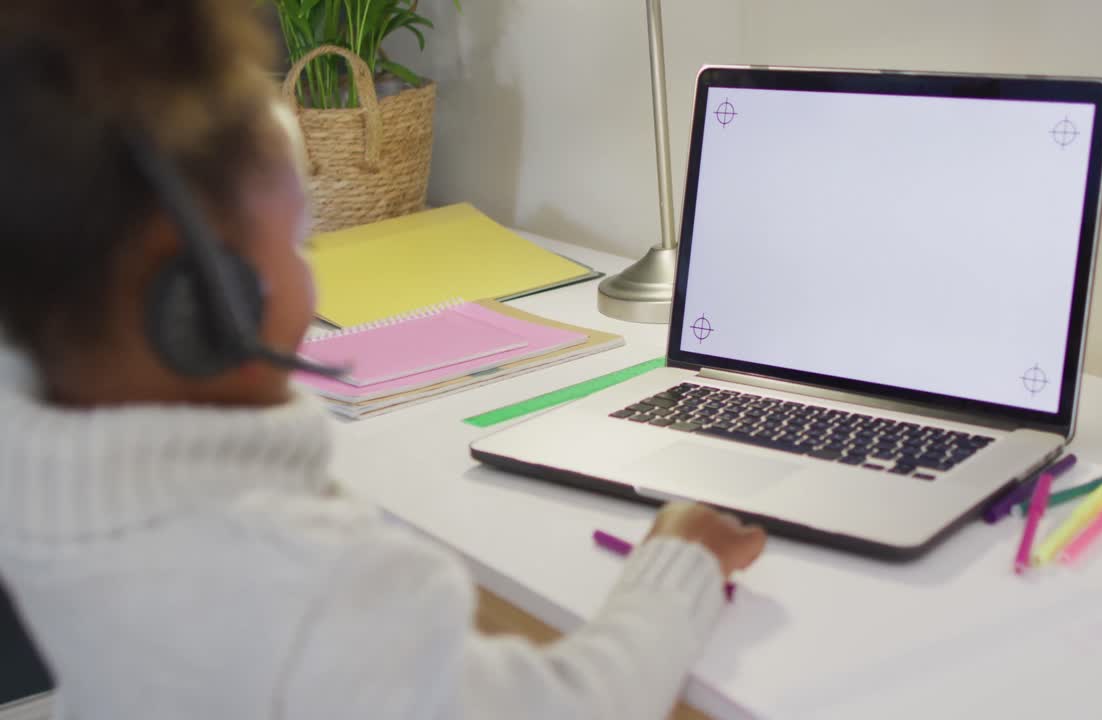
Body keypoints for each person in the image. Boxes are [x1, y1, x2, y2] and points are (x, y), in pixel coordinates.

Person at [0, 3, 766, 718]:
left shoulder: (35, 455)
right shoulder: (318, 589)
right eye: (300, 239)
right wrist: (679, 565)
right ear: (203, 302)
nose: (313, 273)